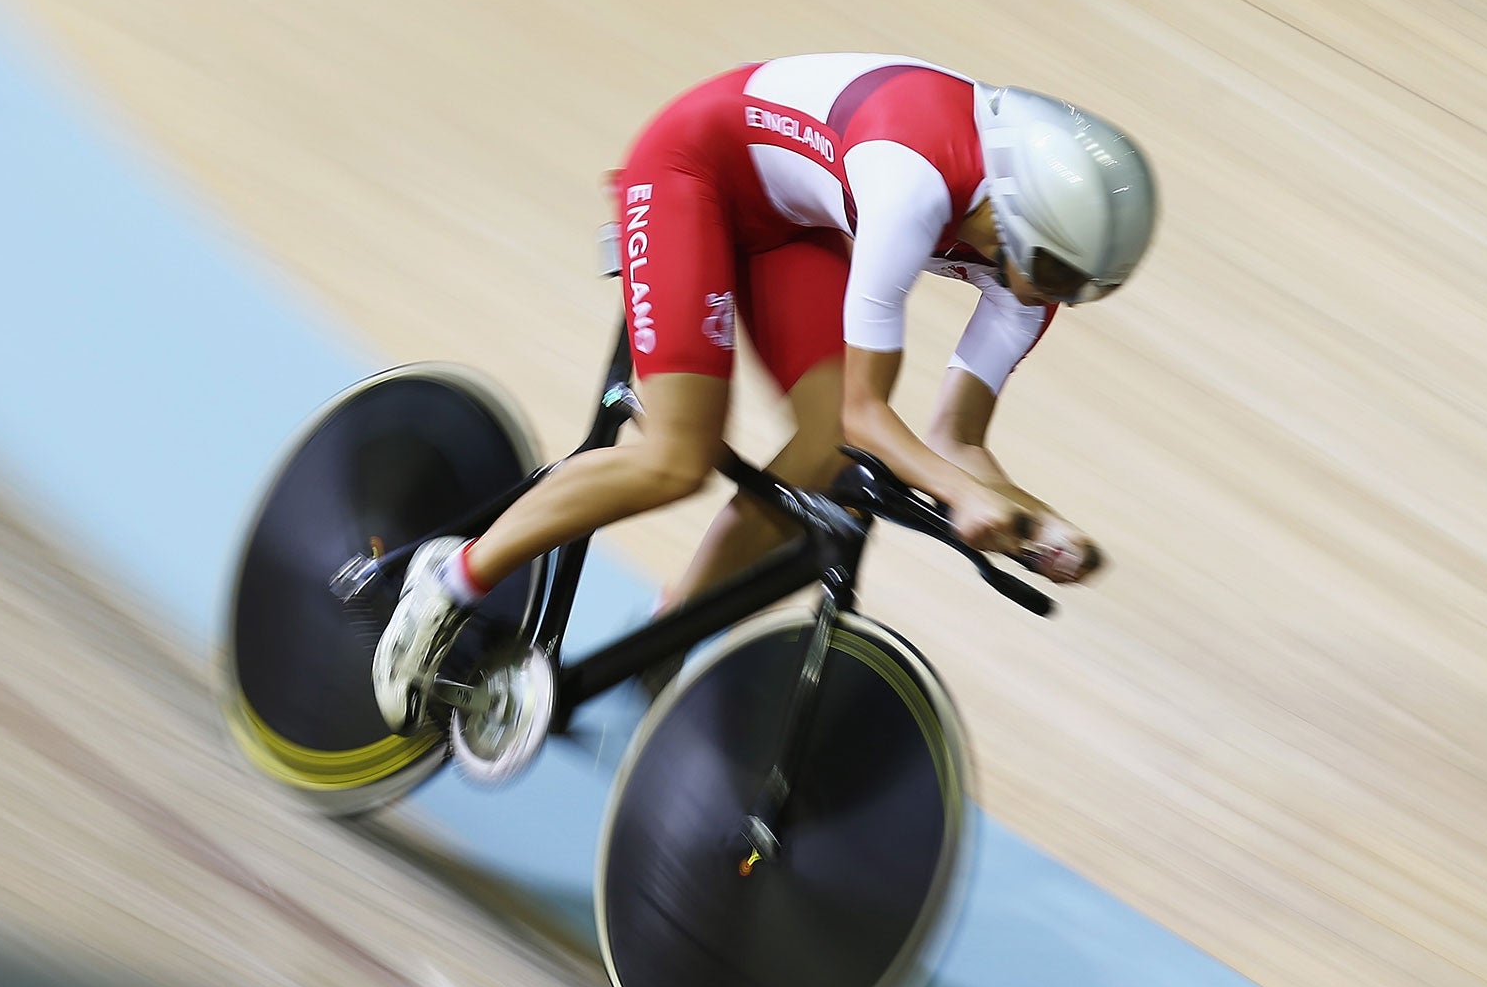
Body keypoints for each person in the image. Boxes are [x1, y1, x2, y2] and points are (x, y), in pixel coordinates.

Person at [373, 53, 1158, 755]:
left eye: (1085, 289)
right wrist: (962, 496)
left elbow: (957, 441)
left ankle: (664, 638)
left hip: (789, 217)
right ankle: (449, 583)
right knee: (675, 460)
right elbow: (869, 414)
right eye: (1059, 277)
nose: (1060, 299)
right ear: (1021, 219)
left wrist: (1040, 525)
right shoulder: (910, 182)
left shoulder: (1037, 273)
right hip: (691, 170)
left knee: (819, 458)